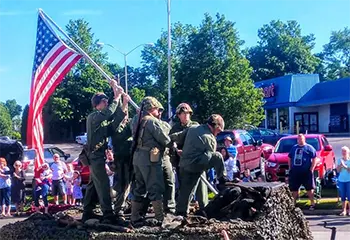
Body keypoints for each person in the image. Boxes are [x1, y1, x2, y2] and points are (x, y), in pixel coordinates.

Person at [82, 80, 125, 224]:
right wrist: (116, 96)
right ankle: (108, 214)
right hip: (95, 156)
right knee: (104, 185)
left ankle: (87, 211)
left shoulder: (101, 121)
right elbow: (109, 113)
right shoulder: (93, 117)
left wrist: (122, 103)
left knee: (93, 185)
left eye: (107, 100)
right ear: (97, 103)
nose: (107, 103)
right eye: (104, 101)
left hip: (98, 156)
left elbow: (113, 123)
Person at [171, 114, 227, 217]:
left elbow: (178, 137)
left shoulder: (193, 128)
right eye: (219, 131)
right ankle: (223, 180)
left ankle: (181, 212)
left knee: (186, 191)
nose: (218, 134)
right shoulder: (210, 139)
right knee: (218, 156)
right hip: (195, 165)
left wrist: (170, 140)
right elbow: (209, 157)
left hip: (183, 164)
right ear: (216, 127)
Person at [130, 96, 171, 226]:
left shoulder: (135, 120)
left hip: (137, 157)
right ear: (151, 108)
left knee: (139, 187)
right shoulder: (152, 122)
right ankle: (160, 218)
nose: (158, 112)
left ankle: (134, 217)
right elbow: (165, 140)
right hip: (150, 158)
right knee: (155, 187)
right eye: (157, 109)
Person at [109, 94, 133, 220]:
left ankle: (128, 207)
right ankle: (119, 210)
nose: (126, 115)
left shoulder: (128, 127)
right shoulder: (115, 129)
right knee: (122, 187)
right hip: (121, 162)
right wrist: (124, 103)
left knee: (130, 187)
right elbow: (119, 119)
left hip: (131, 160)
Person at [288, 134, 317, 210]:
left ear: (304, 139)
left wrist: (311, 169)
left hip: (306, 172)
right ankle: (293, 204)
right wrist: (290, 167)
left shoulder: (309, 148)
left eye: (301, 139)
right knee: (294, 189)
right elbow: (290, 157)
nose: (299, 140)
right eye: (298, 139)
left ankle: (312, 204)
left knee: (309, 189)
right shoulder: (294, 148)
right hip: (295, 172)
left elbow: (314, 158)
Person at [336, 146, 350, 216]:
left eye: (345, 151)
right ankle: (343, 210)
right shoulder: (339, 160)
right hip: (341, 180)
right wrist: (340, 166)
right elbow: (338, 171)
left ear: (348, 152)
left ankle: (349, 210)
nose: (343, 153)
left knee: (349, 195)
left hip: (349, 180)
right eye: (342, 151)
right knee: (343, 196)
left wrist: (344, 166)